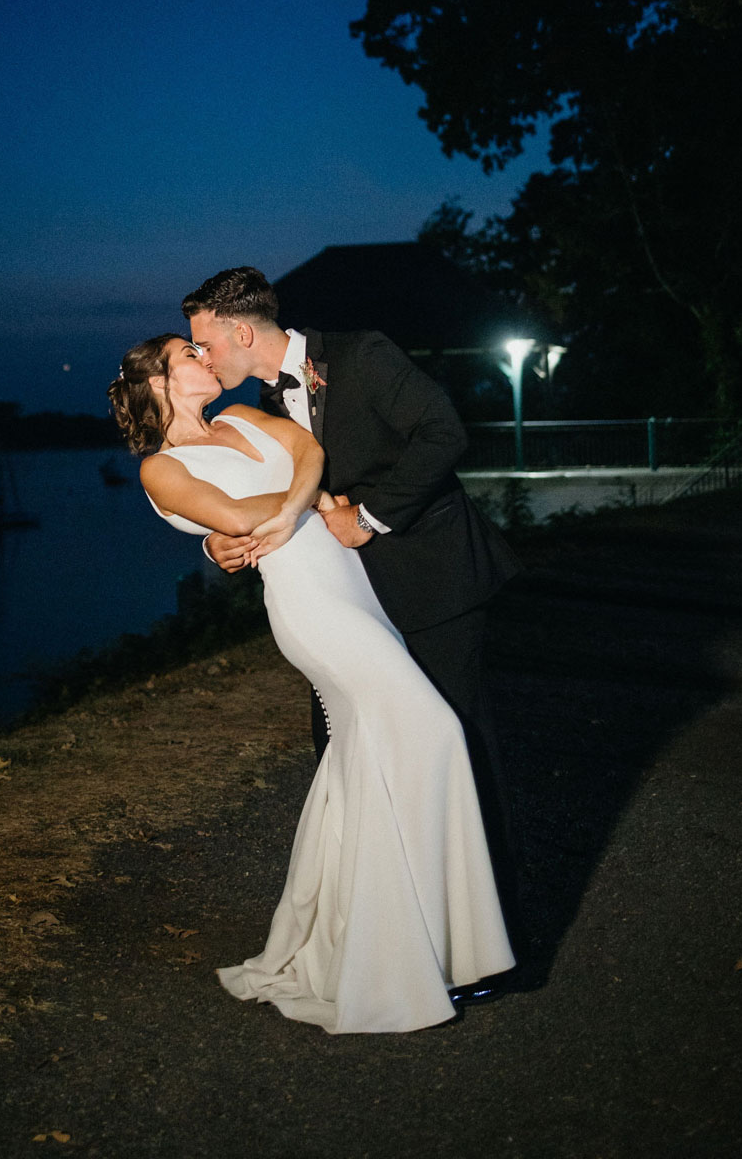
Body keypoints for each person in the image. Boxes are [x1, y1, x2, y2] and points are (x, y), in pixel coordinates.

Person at [108, 332, 514, 1034]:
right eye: (186, 355)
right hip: (314, 608)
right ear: (157, 384)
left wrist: (296, 498)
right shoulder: (159, 468)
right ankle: (412, 950)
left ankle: (399, 944)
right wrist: (289, 507)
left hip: (359, 592)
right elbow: (238, 519)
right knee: (434, 731)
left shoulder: (242, 419)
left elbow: (313, 453)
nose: (204, 359)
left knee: (368, 762)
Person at [182, 265, 524, 971]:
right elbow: (281, 497)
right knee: (346, 752)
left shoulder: (362, 353)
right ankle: (379, 936)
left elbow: (442, 432)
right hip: (347, 604)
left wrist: (368, 517)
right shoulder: (257, 411)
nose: (202, 359)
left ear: (241, 332)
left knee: (456, 750)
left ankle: (493, 948)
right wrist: (224, 541)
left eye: (205, 344)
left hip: (434, 582)